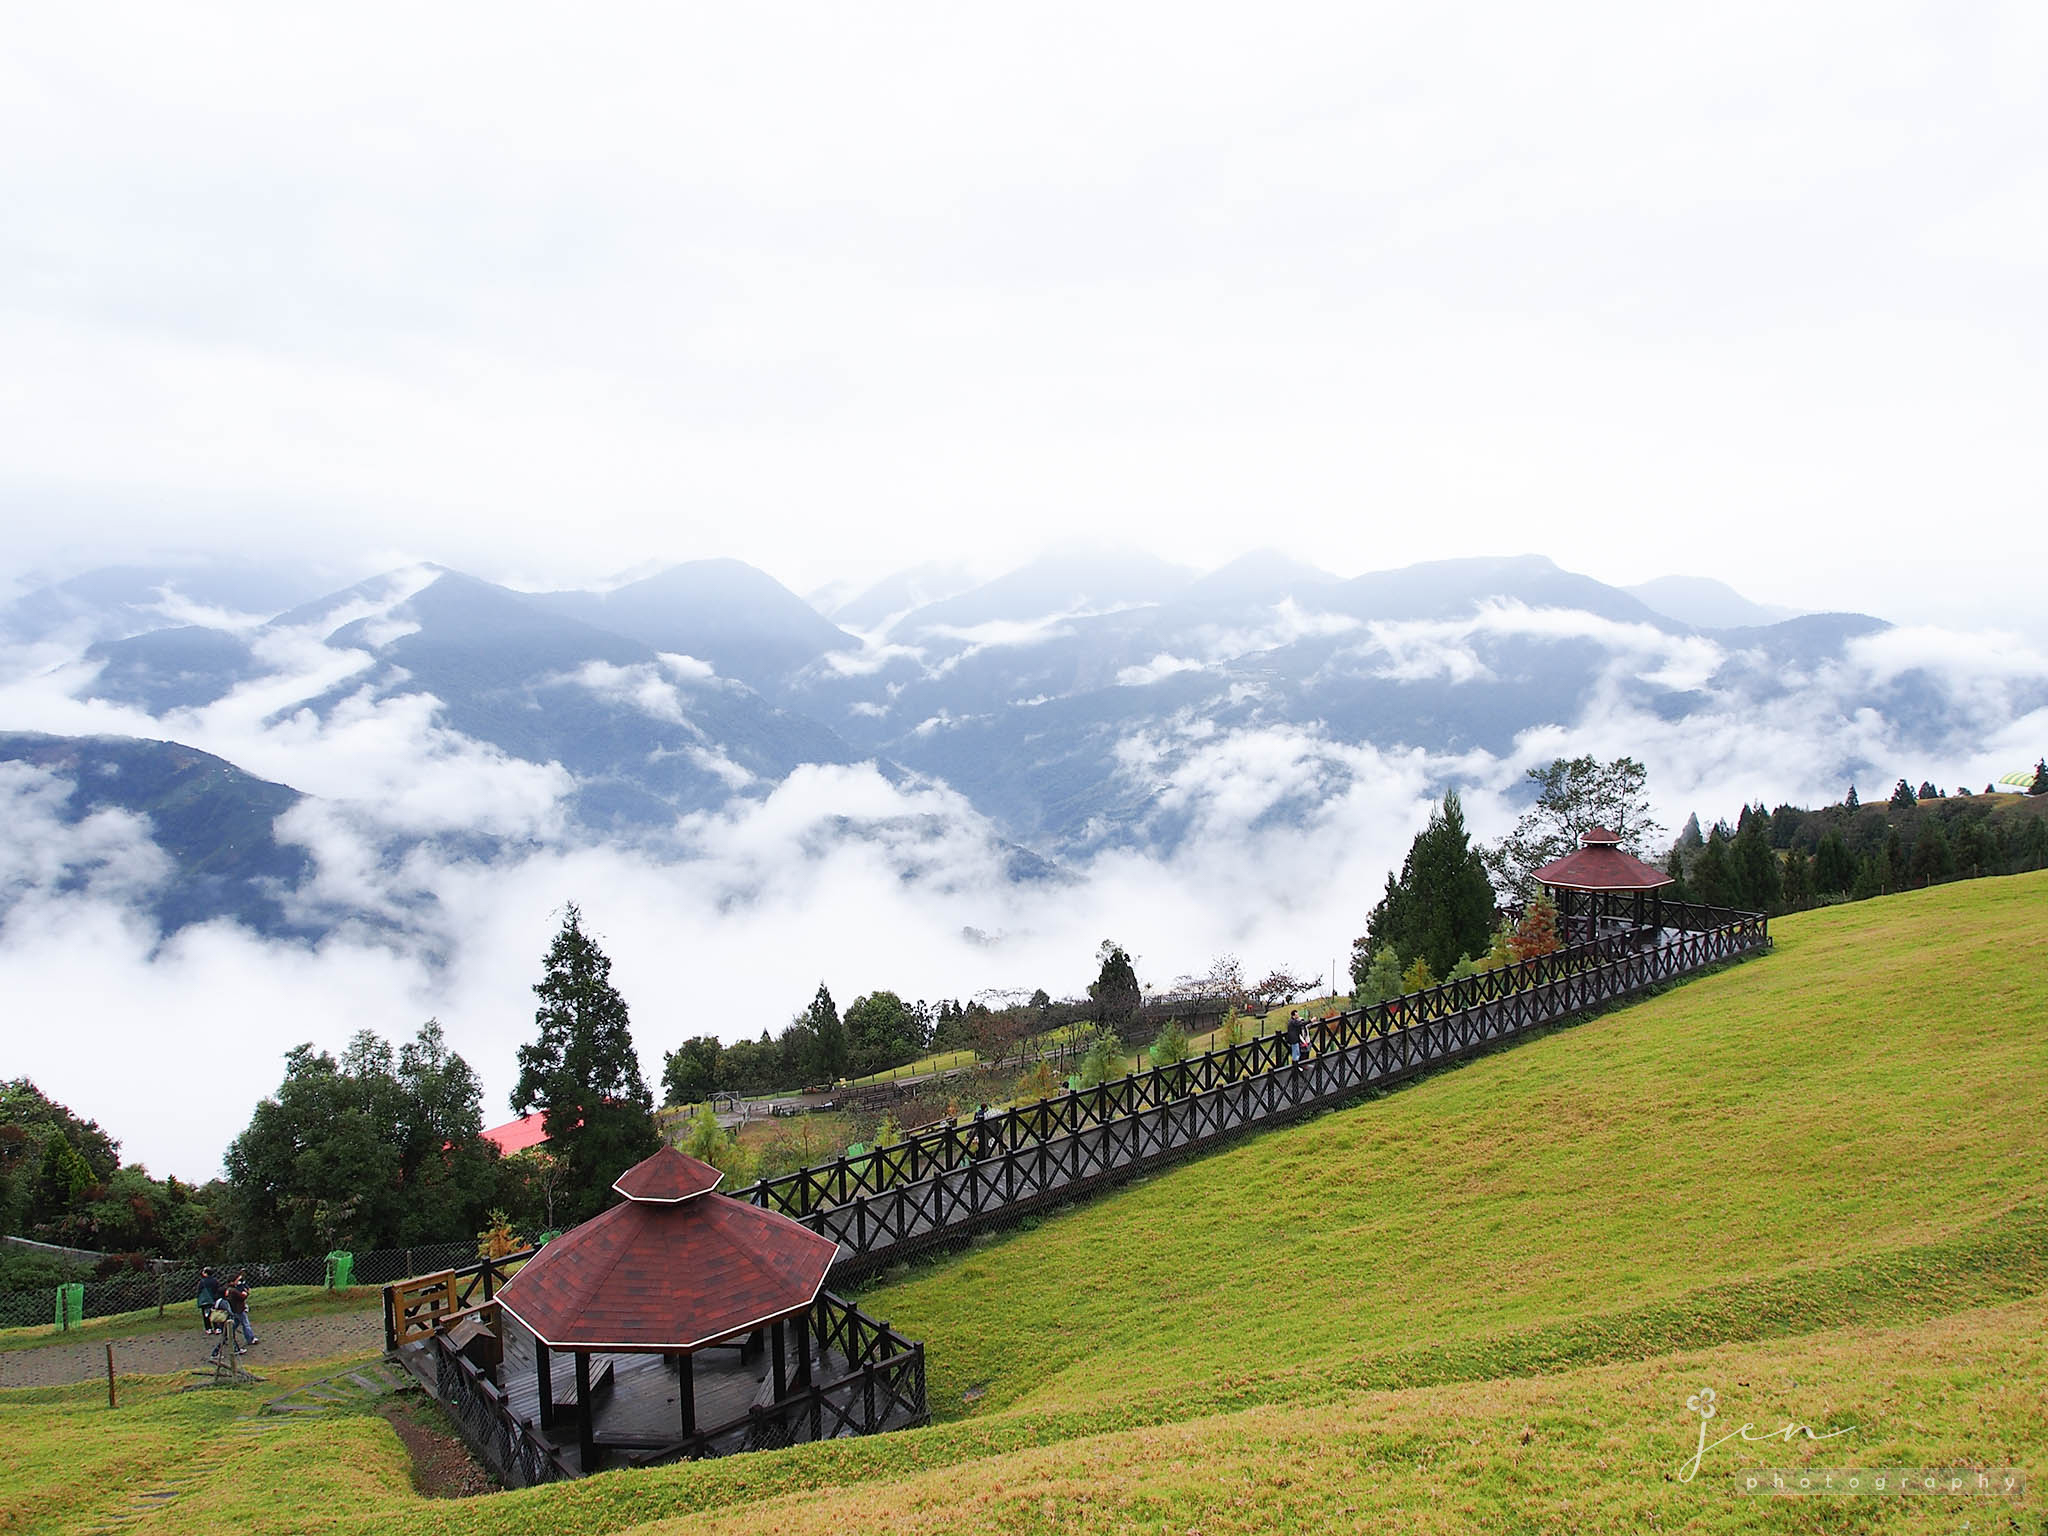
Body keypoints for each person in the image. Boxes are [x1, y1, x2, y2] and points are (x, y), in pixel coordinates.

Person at [223, 1271, 259, 1349]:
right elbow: (242, 1297)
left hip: (234, 1309)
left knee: (234, 1324)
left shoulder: (228, 1289)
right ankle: (250, 1338)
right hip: (239, 1309)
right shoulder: (233, 1290)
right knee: (246, 1324)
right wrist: (246, 1293)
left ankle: (226, 1336)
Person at [195, 1266, 223, 1336]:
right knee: (214, 1313)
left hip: (205, 1300)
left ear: (205, 1273)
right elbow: (218, 1289)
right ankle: (217, 1328)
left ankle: (208, 1328)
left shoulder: (202, 1282)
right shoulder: (215, 1281)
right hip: (214, 1299)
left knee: (206, 1315)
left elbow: (199, 1291)